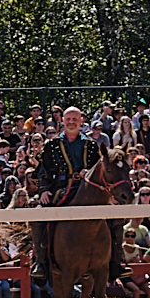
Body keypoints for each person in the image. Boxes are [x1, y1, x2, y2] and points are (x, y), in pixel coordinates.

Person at [31, 106, 129, 285]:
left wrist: (90, 173)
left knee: (116, 216)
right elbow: (42, 173)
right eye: (68, 119)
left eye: (75, 119)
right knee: (37, 216)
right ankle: (41, 263)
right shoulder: (51, 145)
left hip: (89, 190)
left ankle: (117, 261)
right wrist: (43, 190)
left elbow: (101, 170)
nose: (71, 122)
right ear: (62, 121)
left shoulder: (91, 144)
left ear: (81, 121)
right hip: (59, 190)